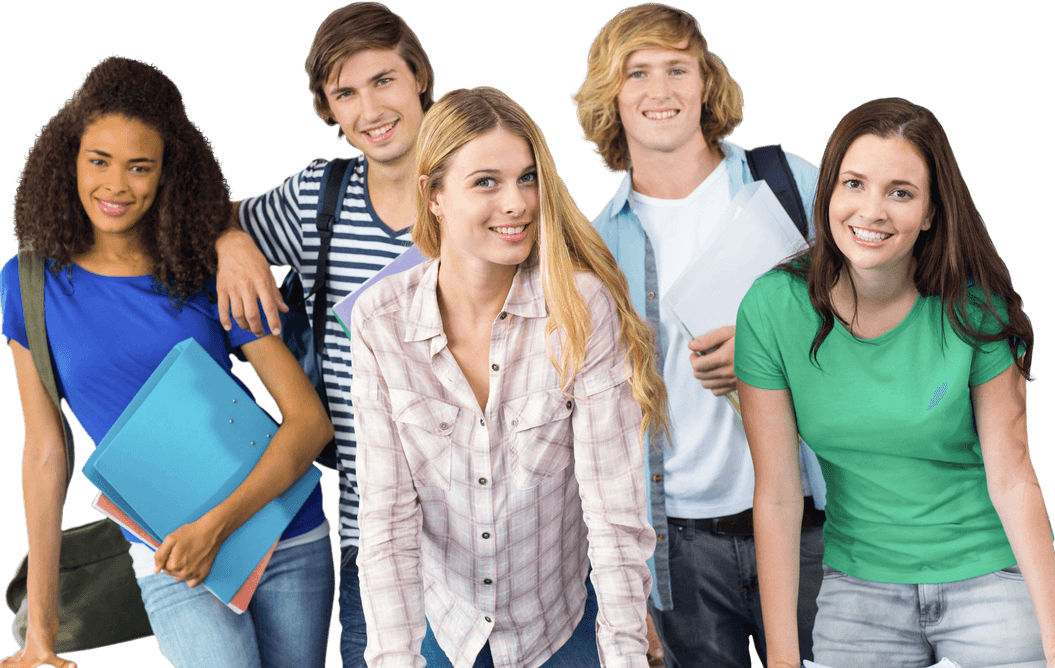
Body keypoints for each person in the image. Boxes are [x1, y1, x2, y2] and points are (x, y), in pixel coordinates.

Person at [0, 56, 334, 668]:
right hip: (166, 553)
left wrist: (217, 523)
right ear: (68, 158)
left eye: (139, 167)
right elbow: (44, 453)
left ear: (165, 174)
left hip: (283, 532)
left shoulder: (207, 268)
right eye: (99, 161)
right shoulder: (28, 285)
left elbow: (308, 422)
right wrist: (38, 631)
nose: (116, 186)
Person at [735, 97, 1055, 667]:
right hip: (858, 589)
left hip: (985, 577)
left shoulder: (975, 312)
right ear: (828, 194)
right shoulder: (772, 309)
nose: (871, 211)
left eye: (900, 192)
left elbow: (1014, 478)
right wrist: (781, 658)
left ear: (929, 212)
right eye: (853, 184)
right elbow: (775, 496)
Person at [348, 86, 666, 668]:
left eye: (527, 178)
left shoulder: (580, 308)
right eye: (486, 182)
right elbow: (386, 524)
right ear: (434, 195)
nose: (517, 202)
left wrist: (623, 652)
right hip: (447, 629)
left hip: (560, 627)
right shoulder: (379, 321)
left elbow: (614, 513)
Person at [570, 5, 826, 666]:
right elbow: (593, 430)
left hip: (812, 527)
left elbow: (887, 322)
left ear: (705, 82)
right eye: (638, 73)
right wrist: (622, 595)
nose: (661, 91)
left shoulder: (788, 185)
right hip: (678, 553)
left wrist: (774, 355)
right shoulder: (594, 249)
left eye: (677, 68)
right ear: (612, 96)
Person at [211, 3, 434, 664]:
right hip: (378, 547)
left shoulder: (492, 189)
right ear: (328, 109)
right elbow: (201, 214)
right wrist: (230, 239)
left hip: (501, 544)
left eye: (384, 80)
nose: (371, 109)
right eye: (346, 93)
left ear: (419, 75)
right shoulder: (319, 200)